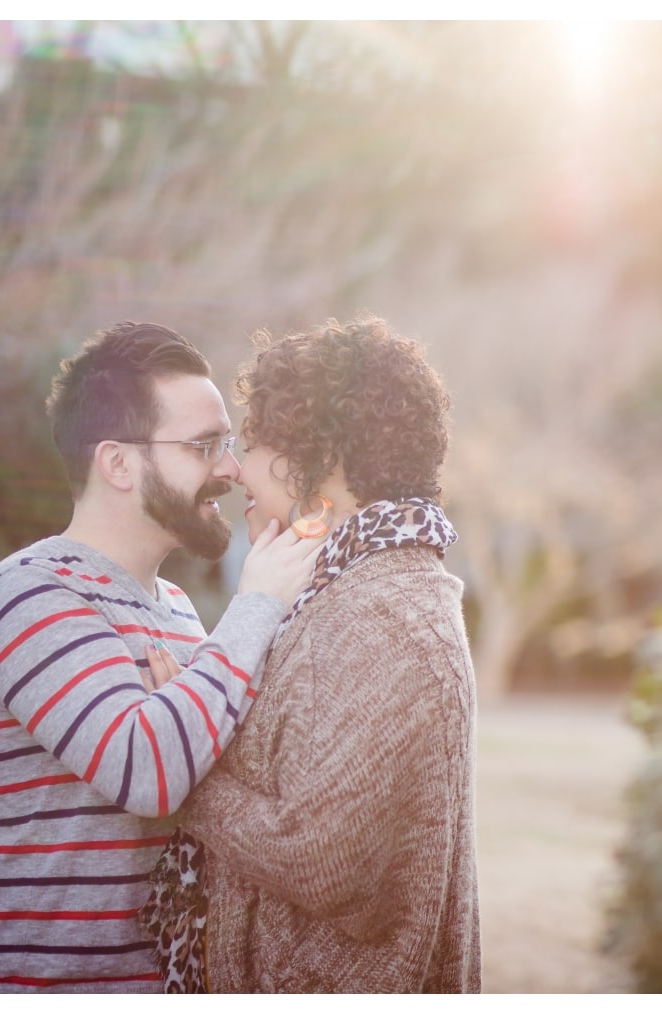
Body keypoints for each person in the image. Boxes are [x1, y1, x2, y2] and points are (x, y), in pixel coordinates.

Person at [0, 321, 324, 992]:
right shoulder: (27, 594)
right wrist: (258, 604)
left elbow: (207, 767)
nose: (232, 469)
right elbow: (151, 771)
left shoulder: (181, 611)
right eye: (203, 446)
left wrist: (185, 703)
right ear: (118, 463)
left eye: (229, 444)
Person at [139, 315, 481, 992]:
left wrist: (184, 771)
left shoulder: (387, 620)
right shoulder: (347, 590)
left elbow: (324, 859)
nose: (234, 468)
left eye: (257, 441)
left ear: (325, 460)